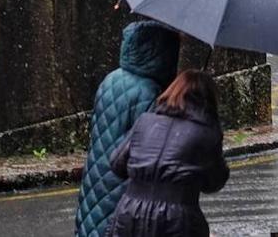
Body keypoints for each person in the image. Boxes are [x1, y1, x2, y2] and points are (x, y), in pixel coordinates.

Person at [75, 21, 181, 237]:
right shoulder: (149, 93)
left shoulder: (111, 80)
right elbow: (150, 151)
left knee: (92, 223)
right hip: (124, 189)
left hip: (97, 178)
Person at [106, 69, 229, 237]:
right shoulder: (207, 132)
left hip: (129, 212)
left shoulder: (145, 121)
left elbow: (117, 165)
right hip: (177, 219)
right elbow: (214, 182)